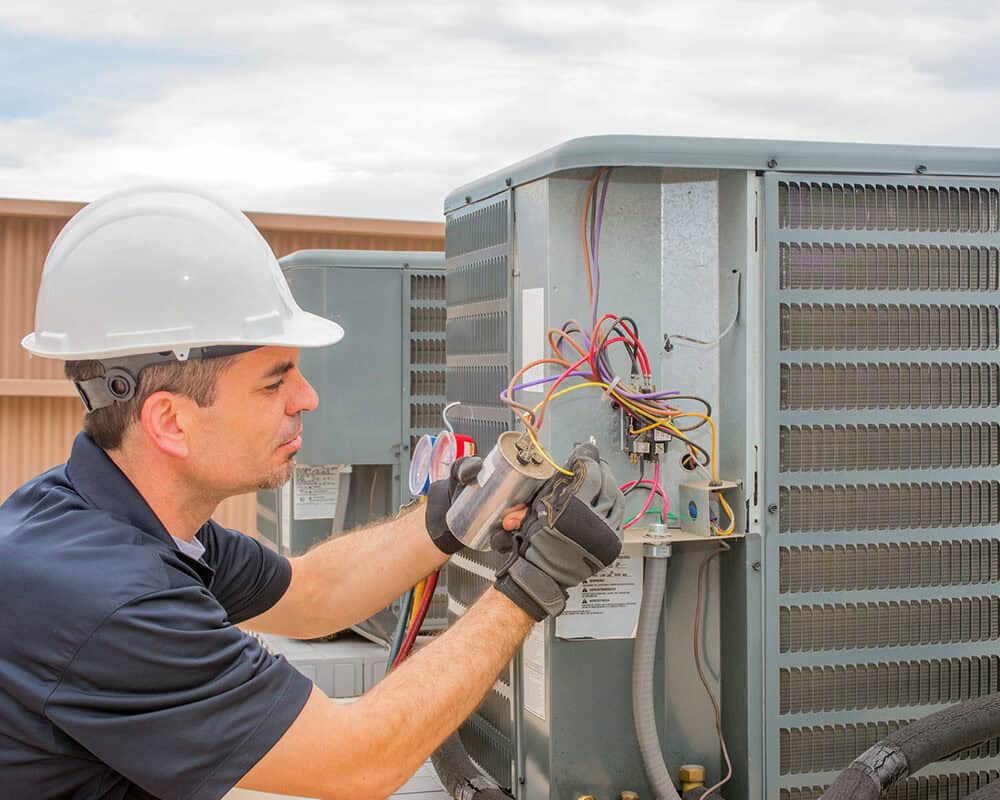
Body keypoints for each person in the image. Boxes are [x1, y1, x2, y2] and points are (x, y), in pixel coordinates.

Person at [0, 187, 626, 800]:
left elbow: (310, 594)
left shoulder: (108, 517)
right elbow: (357, 763)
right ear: (170, 421)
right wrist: (533, 584)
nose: (307, 398)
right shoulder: (112, 601)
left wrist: (455, 515)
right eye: (275, 383)